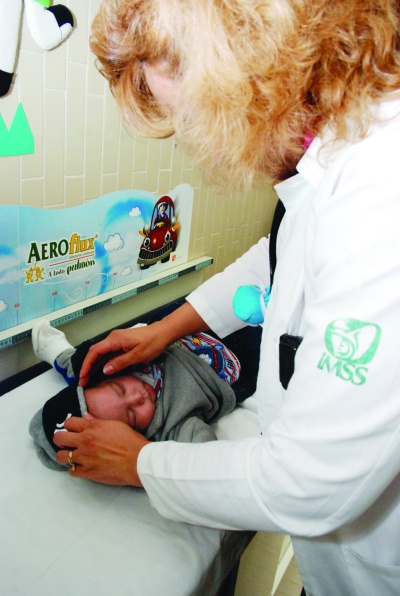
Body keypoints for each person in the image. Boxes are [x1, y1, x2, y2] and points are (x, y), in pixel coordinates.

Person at [53, 1, 400, 594]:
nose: (198, 145)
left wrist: (139, 464)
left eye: (192, 118)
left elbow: (307, 482)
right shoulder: (331, 156)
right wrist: (165, 329)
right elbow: (281, 253)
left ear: (251, 70)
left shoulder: (379, 190)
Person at [29, 320, 241, 470]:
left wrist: (55, 348)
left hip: (178, 329)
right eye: (133, 416)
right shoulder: (174, 424)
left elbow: (77, 364)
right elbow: (202, 461)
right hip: (231, 357)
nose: (138, 397)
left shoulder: (110, 368)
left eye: (119, 388)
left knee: (80, 366)